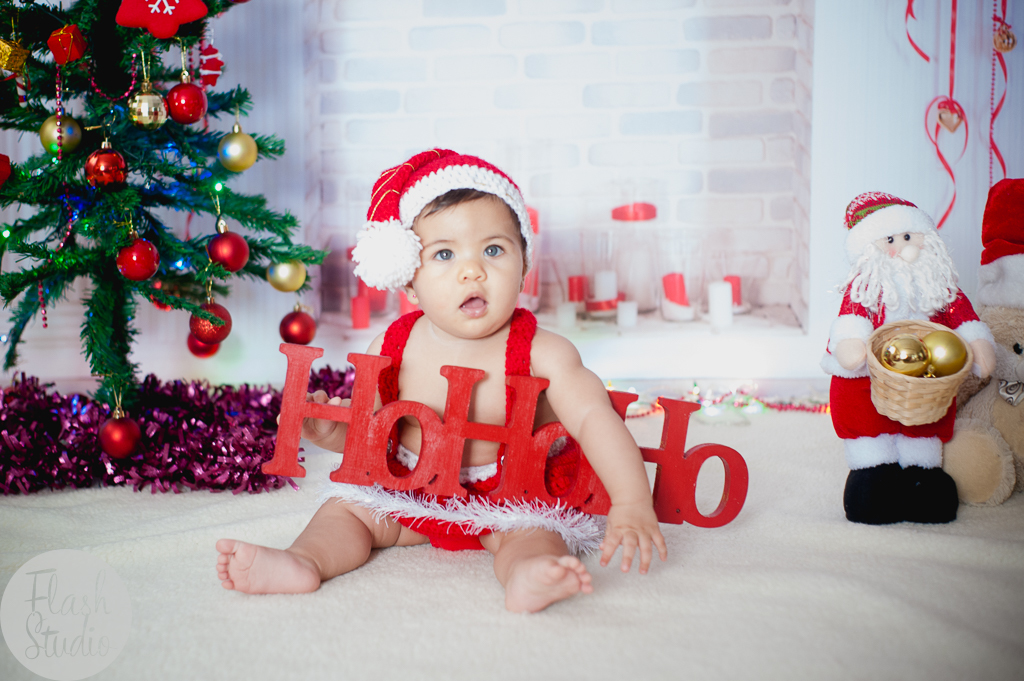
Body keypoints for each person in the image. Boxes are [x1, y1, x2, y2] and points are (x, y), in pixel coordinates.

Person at [216, 150, 667, 612]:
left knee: (536, 535)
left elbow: (595, 418)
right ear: (409, 282)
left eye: (494, 249)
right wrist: (336, 432)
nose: (472, 270)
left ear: (524, 265)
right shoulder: (391, 347)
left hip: (511, 500)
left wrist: (631, 502)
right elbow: (368, 437)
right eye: (445, 254)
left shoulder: (544, 353)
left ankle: (530, 575)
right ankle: (303, 560)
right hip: (409, 491)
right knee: (347, 512)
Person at [821, 191, 997, 525]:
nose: (902, 246)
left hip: (926, 384)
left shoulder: (938, 287)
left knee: (922, 431)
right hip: (869, 382)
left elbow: (964, 319)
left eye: (907, 236)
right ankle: (872, 475)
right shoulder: (866, 288)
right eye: (890, 239)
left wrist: (977, 345)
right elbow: (851, 322)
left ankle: (922, 478)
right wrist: (851, 345)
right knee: (870, 430)